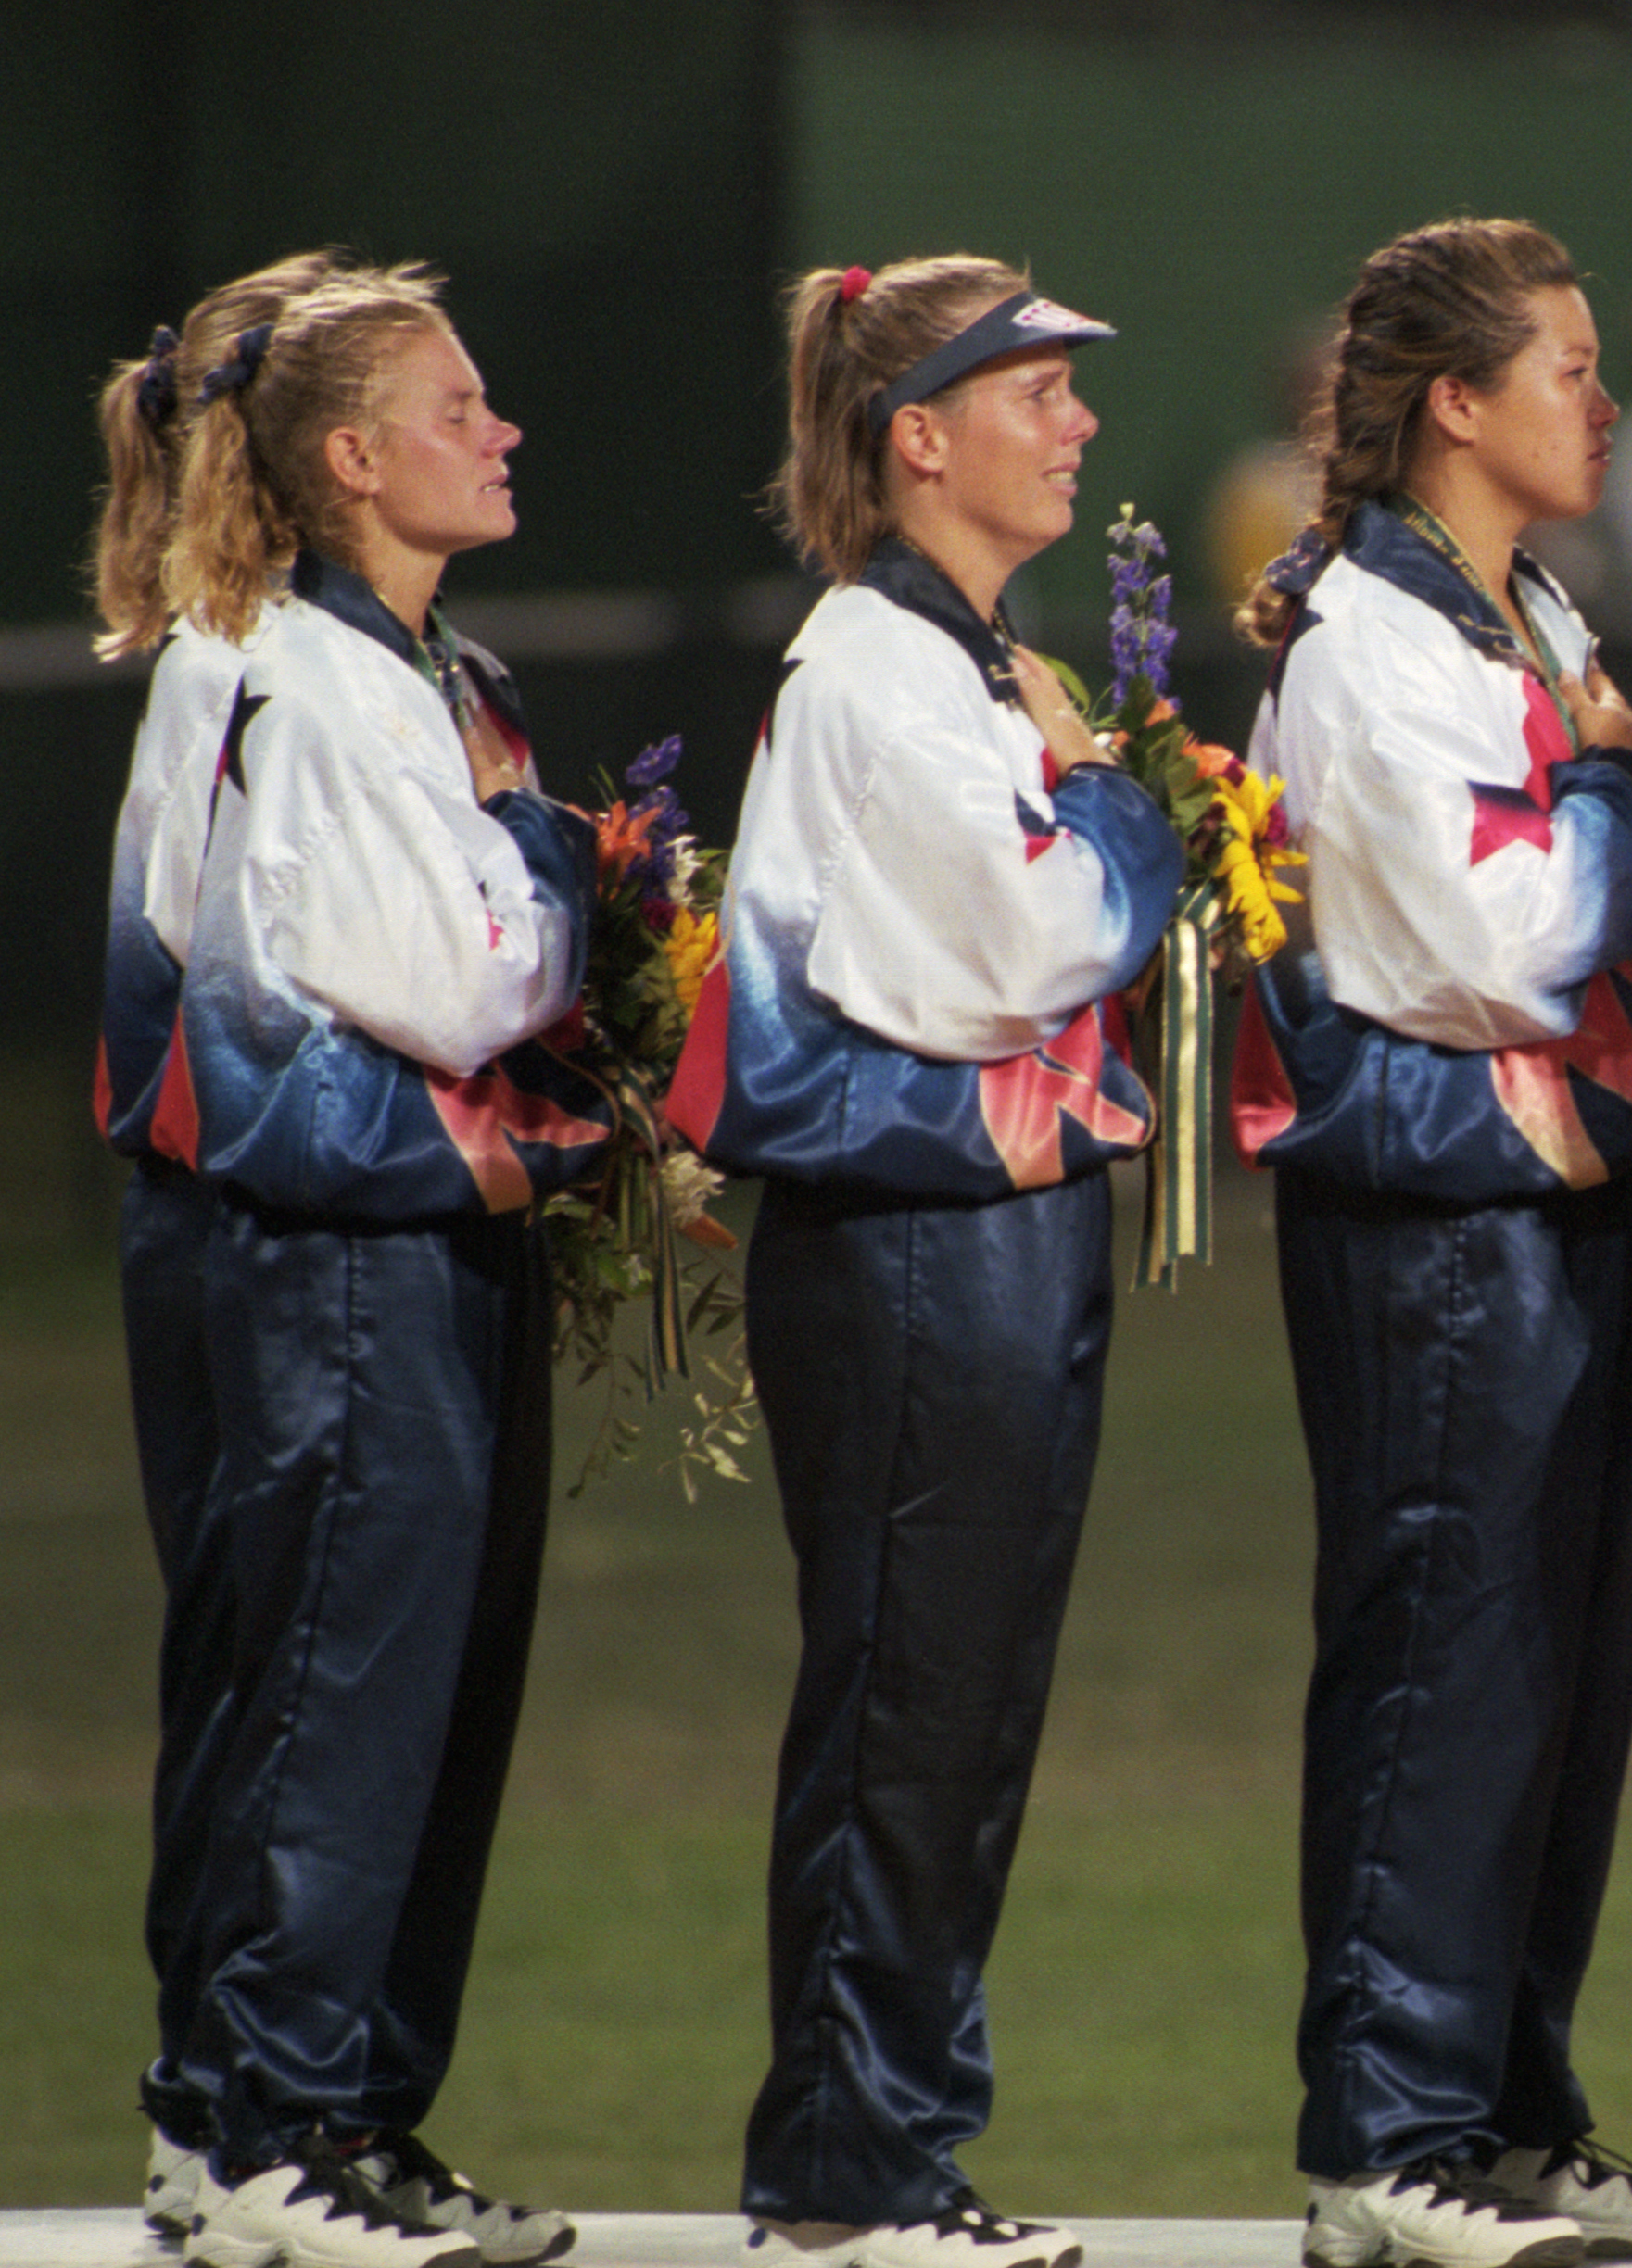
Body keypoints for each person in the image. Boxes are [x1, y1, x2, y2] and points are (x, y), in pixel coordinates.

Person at [664, 256, 1182, 2268]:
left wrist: (1072, 789)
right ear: (917, 437)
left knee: (956, 1716)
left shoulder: (957, 664)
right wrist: (1119, 800)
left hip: (984, 1239)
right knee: (909, 1714)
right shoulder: (883, 673)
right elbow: (1036, 945)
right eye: (1034, 392)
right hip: (905, 1253)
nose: (1074, 427)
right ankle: (851, 2168)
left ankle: (880, 2150)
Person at [1230, 216, 1632, 2268]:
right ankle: (1387, 2134)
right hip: (1439, 1222)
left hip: (1568, 1197)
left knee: (1555, 1673)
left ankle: (1509, 2109)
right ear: (1456, 400)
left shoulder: (1521, 609)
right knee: (1446, 1663)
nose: (1602, 404)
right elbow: (1499, 942)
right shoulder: (1374, 639)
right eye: (1566, 367)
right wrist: (1626, 800)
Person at [160, 262, 598, 2268]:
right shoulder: (320, 685)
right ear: (350, 459)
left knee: (362, 1688)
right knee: (338, 1686)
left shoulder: (383, 665)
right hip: (336, 1257)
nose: (499, 431)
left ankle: (289, 2113)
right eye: (458, 406)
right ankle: (270, 2132)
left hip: (354, 1245)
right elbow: (461, 977)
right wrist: (570, 879)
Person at [85, 246, 348, 2249]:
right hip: (243, 1214)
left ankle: (208, 2112)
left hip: (201, 1211)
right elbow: (246, 998)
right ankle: (241, 2113)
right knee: (278, 1665)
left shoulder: (221, 651)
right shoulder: (247, 666)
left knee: (248, 1663)